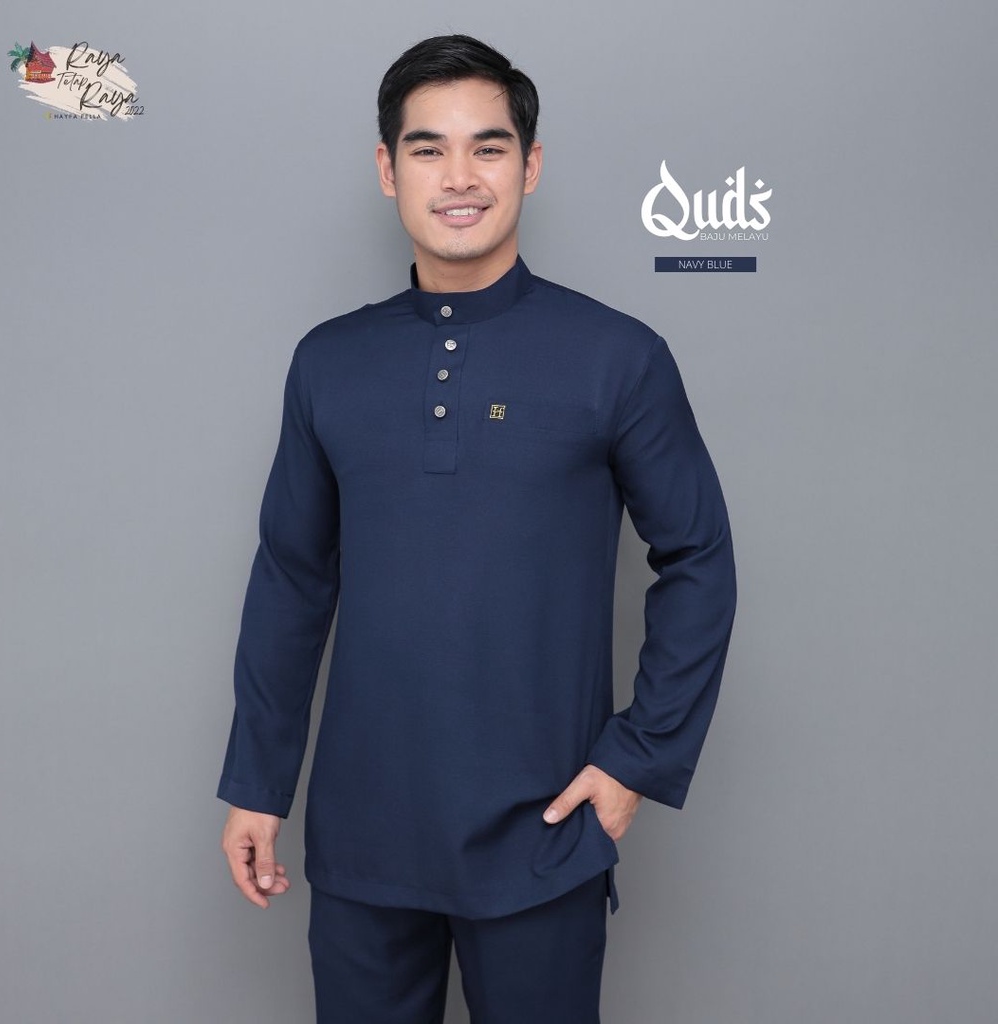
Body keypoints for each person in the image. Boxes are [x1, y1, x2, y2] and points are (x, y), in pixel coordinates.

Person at [218, 34, 736, 1024]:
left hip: (544, 834)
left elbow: (699, 558)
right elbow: (291, 577)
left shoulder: (617, 356)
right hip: (362, 838)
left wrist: (635, 759)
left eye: (488, 147)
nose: (459, 176)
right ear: (388, 170)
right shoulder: (329, 362)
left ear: (529, 166)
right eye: (428, 148)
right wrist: (257, 783)